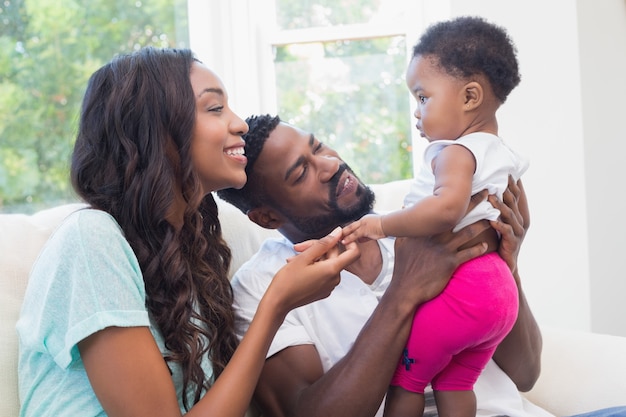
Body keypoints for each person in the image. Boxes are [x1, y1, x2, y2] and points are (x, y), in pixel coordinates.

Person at [15, 47, 362, 417]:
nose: (240, 123)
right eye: (215, 109)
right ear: (156, 131)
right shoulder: (91, 240)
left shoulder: (188, 247)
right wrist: (276, 304)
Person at [217, 114, 543, 417]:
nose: (330, 164)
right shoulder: (263, 285)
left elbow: (526, 373)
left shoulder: (423, 221)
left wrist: (507, 266)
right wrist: (404, 291)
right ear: (267, 217)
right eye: (302, 172)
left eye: (318, 147)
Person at [340, 16, 527, 417]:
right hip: (500, 293)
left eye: (423, 97)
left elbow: (446, 209)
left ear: (470, 96)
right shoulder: (500, 153)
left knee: (406, 380)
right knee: (456, 382)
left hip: (464, 293)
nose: (417, 113)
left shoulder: (454, 152)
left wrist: (381, 224)